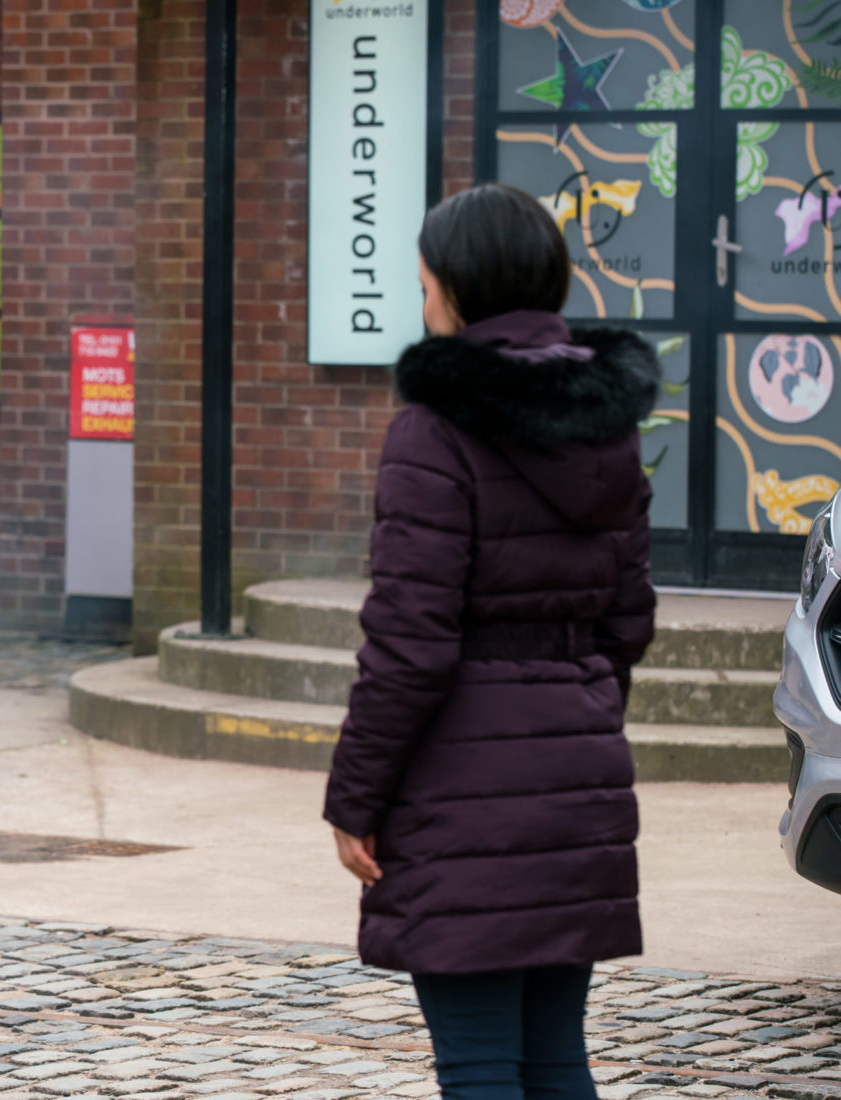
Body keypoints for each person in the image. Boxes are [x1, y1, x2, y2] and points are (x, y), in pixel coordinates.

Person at [323, 182, 661, 1100]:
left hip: (459, 786)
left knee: (479, 1065)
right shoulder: (610, 424)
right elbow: (629, 618)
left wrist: (357, 798)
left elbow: (408, 640)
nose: (420, 304)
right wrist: (572, 717)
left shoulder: (433, 429)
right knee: (555, 1057)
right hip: (578, 773)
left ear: (459, 291)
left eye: (425, 285)